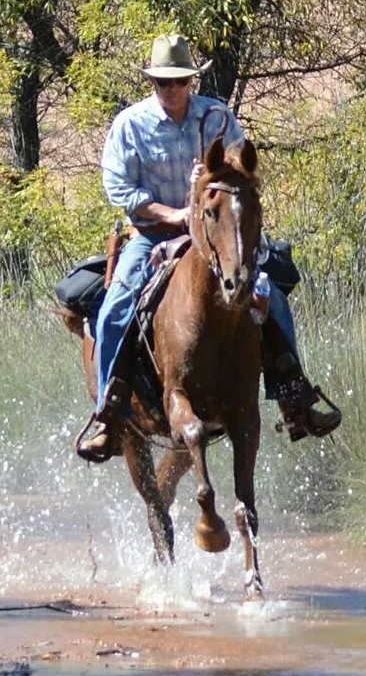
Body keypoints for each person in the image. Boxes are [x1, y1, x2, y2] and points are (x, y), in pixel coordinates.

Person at [77, 34, 341, 463]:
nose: (172, 89)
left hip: (217, 236)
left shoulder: (216, 117)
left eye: (179, 81)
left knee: (270, 296)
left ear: (191, 81)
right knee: (115, 307)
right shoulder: (131, 124)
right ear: (152, 83)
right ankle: (109, 413)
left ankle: (294, 397)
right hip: (153, 235)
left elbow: (241, 171)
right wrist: (175, 214)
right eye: (163, 82)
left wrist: (210, 181)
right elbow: (119, 187)